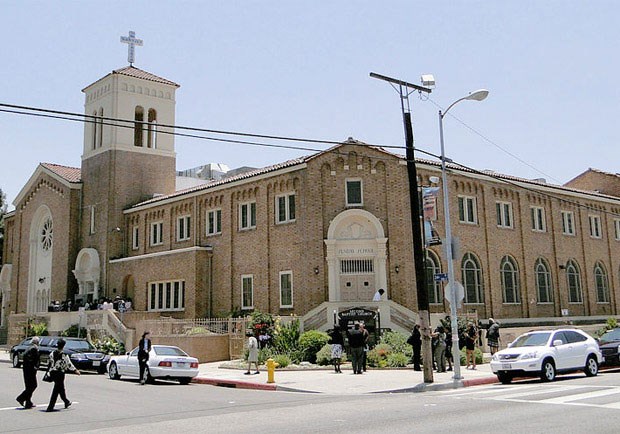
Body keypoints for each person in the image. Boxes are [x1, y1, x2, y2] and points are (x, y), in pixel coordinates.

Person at [45, 338, 80, 412]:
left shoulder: (51, 353)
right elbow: (69, 363)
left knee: (61, 388)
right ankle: (50, 407)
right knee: (56, 390)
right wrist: (75, 370)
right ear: (63, 346)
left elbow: (49, 363)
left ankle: (66, 402)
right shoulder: (64, 355)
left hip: (52, 373)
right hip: (60, 373)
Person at [16, 336, 40, 409]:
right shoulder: (34, 349)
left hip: (26, 370)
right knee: (33, 385)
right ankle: (21, 398)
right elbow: (32, 360)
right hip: (30, 371)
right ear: (37, 342)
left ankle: (28, 402)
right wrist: (34, 367)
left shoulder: (29, 348)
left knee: (29, 386)